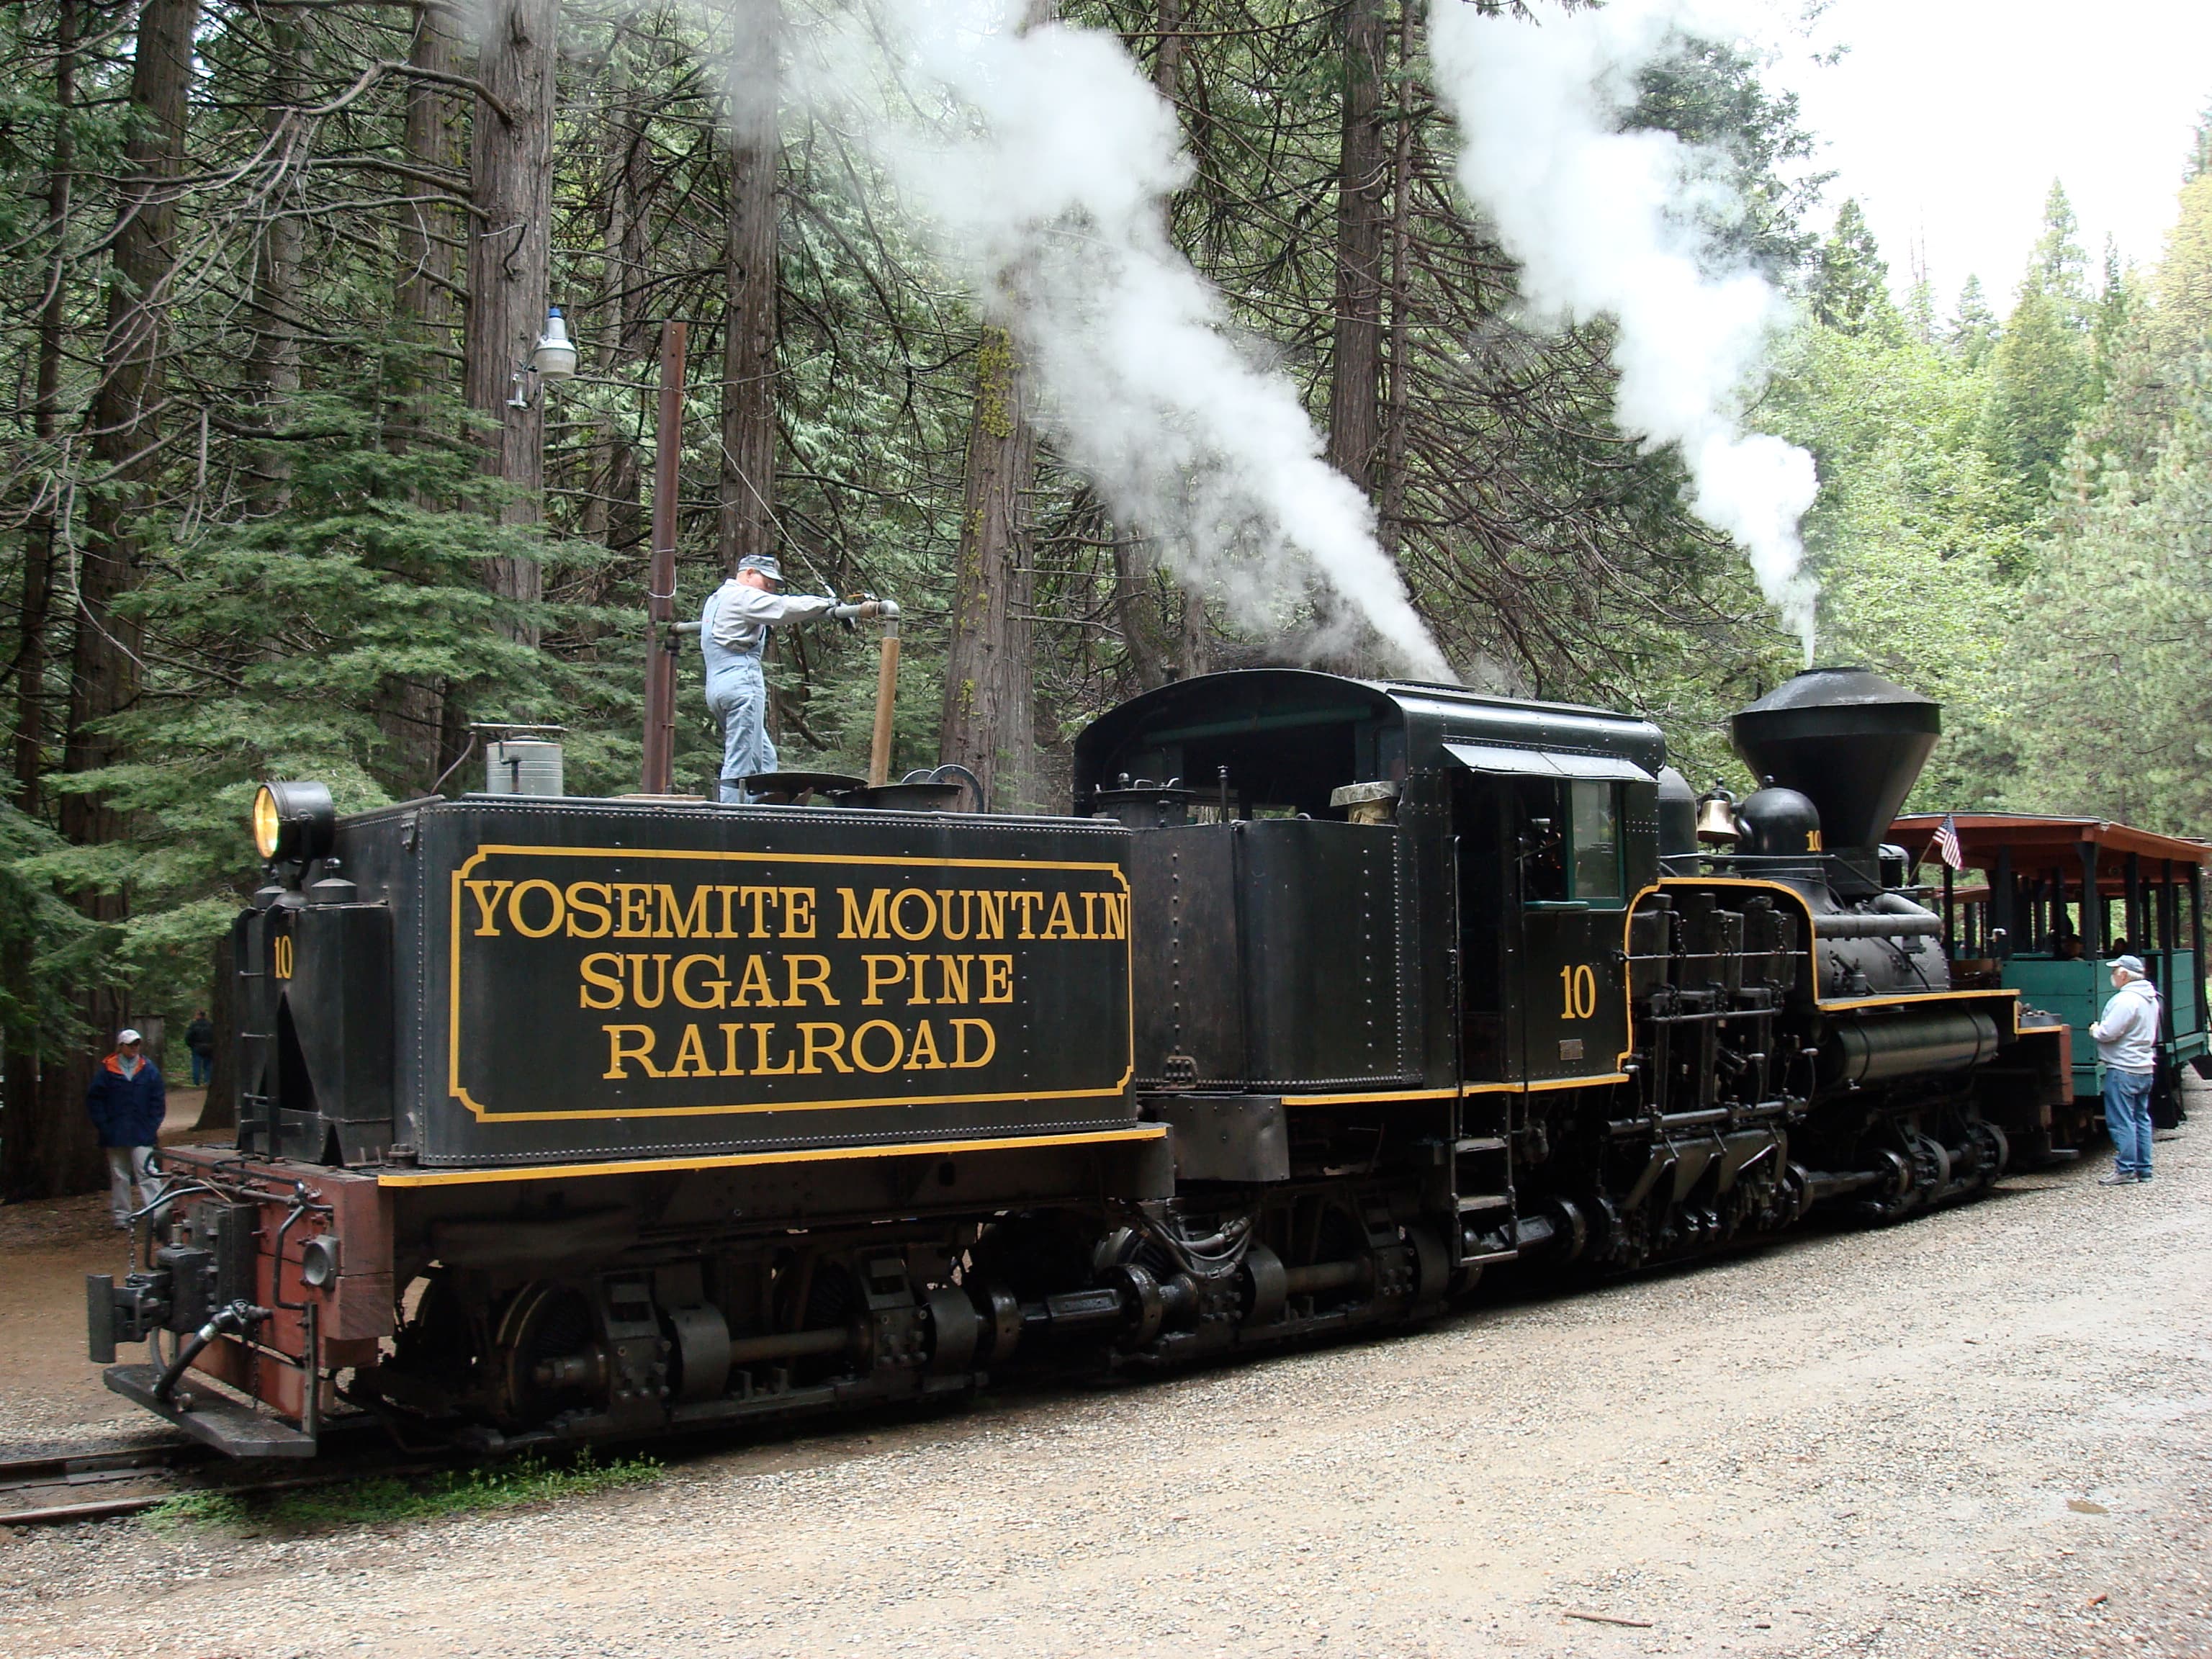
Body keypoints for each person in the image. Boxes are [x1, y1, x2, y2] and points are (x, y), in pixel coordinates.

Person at [698, 555, 876, 803]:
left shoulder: (716, 599)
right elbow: (783, 608)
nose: (769, 590)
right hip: (741, 683)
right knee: (742, 757)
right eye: (767, 583)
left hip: (717, 686)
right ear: (749, 573)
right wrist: (826, 603)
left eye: (773, 587)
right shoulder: (741, 596)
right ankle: (732, 814)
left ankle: (767, 803)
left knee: (763, 753)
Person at [2090, 954, 2161, 1185]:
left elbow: (2109, 1032)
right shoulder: (2150, 998)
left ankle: (2126, 1169)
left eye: (2115, 971)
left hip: (2122, 1067)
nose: (2113, 975)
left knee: (2121, 1120)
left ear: (2123, 975)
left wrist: (2095, 1030)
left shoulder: (2125, 1000)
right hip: (2144, 1066)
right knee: (2141, 1118)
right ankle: (2145, 1169)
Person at [86, 1028, 166, 1229]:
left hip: (142, 1131)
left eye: (137, 1044)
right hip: (115, 1132)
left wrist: (151, 1125)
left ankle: (158, 1214)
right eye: (130, 1044)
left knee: (147, 1171)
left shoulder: (149, 1069)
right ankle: (122, 1216)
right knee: (119, 1175)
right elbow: (95, 1100)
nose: (134, 1048)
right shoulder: (107, 1070)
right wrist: (104, 1125)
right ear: (121, 1046)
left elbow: (158, 1101)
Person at [184, 1008, 215, 1087]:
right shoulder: (210, 1025)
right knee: (208, 1066)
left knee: (196, 1065)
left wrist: (191, 1045)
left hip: (197, 1047)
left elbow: (188, 1036)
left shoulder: (194, 1025)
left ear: (199, 1015)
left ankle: (196, 1083)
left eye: (196, 1015)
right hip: (209, 1047)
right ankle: (207, 1081)